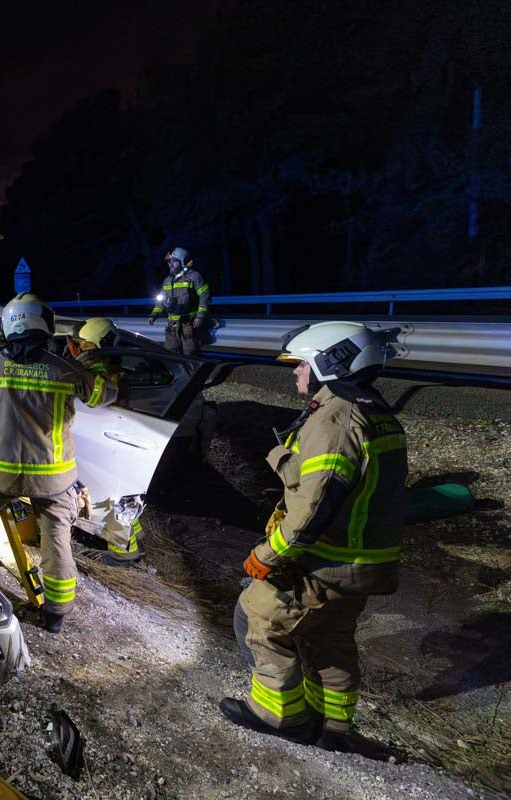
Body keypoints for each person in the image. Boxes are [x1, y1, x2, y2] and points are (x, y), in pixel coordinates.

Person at [219, 321, 407, 752]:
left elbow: (315, 506)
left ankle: (280, 716)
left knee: (258, 616)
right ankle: (335, 729)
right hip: (362, 563)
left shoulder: (337, 420)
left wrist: (269, 555)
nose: (295, 372)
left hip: (328, 560)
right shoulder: (375, 412)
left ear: (329, 362)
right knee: (330, 639)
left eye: (301, 363)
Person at [0, 295, 116, 633]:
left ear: (10, 326)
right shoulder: (65, 369)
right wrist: (92, 359)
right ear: (43, 325)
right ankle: (55, 616)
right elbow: (103, 394)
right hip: (54, 480)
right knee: (56, 539)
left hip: (0, 475)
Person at [67, 317, 143, 561]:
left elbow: (95, 397)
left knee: (113, 498)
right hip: (115, 435)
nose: (75, 349)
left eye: (81, 345)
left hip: (111, 439)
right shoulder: (111, 366)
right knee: (122, 496)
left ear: (94, 346)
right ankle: (137, 534)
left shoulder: (103, 373)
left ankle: (124, 554)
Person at [147, 247, 211, 355]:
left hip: (189, 325)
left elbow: (204, 296)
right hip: (171, 326)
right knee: (171, 354)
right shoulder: (167, 280)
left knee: (190, 354)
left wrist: (200, 316)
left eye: (174, 261)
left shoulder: (194, 277)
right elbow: (160, 301)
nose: (171, 264)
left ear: (183, 262)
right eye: (170, 261)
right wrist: (153, 315)